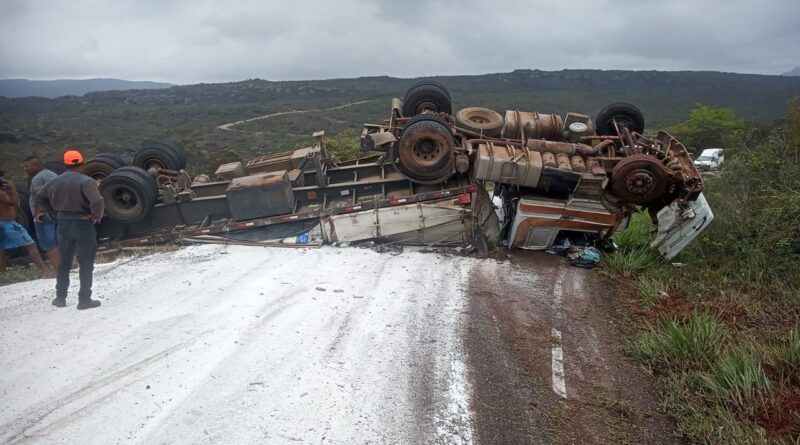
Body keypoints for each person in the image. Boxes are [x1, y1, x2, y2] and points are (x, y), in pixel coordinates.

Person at [36, 150, 104, 310]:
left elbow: (39, 196)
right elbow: (97, 200)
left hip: (63, 225)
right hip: (83, 223)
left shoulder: (54, 182)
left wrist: (53, 212)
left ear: (65, 164)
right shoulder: (86, 181)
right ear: (81, 163)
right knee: (86, 263)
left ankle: (60, 298)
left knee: (64, 262)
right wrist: (96, 216)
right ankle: (84, 300)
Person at [0, 170, 53, 276]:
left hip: (4, 223)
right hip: (8, 224)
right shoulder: (1, 193)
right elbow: (15, 203)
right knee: (30, 244)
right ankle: (44, 270)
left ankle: (2, 274)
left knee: (2, 249)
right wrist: (13, 189)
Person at [22, 155, 60, 271]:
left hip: (43, 214)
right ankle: (66, 266)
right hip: (55, 212)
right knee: (58, 241)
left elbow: (39, 196)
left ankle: (58, 269)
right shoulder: (52, 174)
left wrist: (38, 212)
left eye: (27, 166)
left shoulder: (38, 178)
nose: (25, 169)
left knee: (49, 243)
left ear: (36, 165)